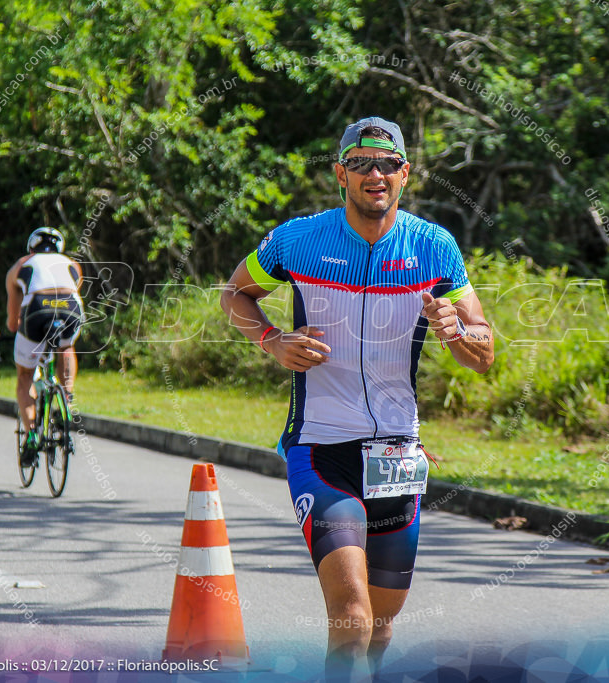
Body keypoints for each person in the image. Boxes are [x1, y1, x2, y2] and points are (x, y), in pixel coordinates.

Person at [220, 116, 494, 677]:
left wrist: (456, 333)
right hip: (321, 451)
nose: (376, 174)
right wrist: (274, 341)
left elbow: (484, 350)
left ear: (405, 174)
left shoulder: (434, 247)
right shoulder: (299, 238)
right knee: (351, 618)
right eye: (363, 163)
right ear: (340, 174)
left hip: (397, 455)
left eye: (388, 164)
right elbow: (234, 295)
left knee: (381, 626)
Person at [5, 227, 84, 466]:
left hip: (37, 308)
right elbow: (73, 291)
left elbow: (12, 321)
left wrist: (15, 329)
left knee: (25, 377)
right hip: (70, 306)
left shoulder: (21, 264)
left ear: (31, 247)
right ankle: (66, 402)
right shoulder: (72, 264)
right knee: (66, 347)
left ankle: (30, 436)